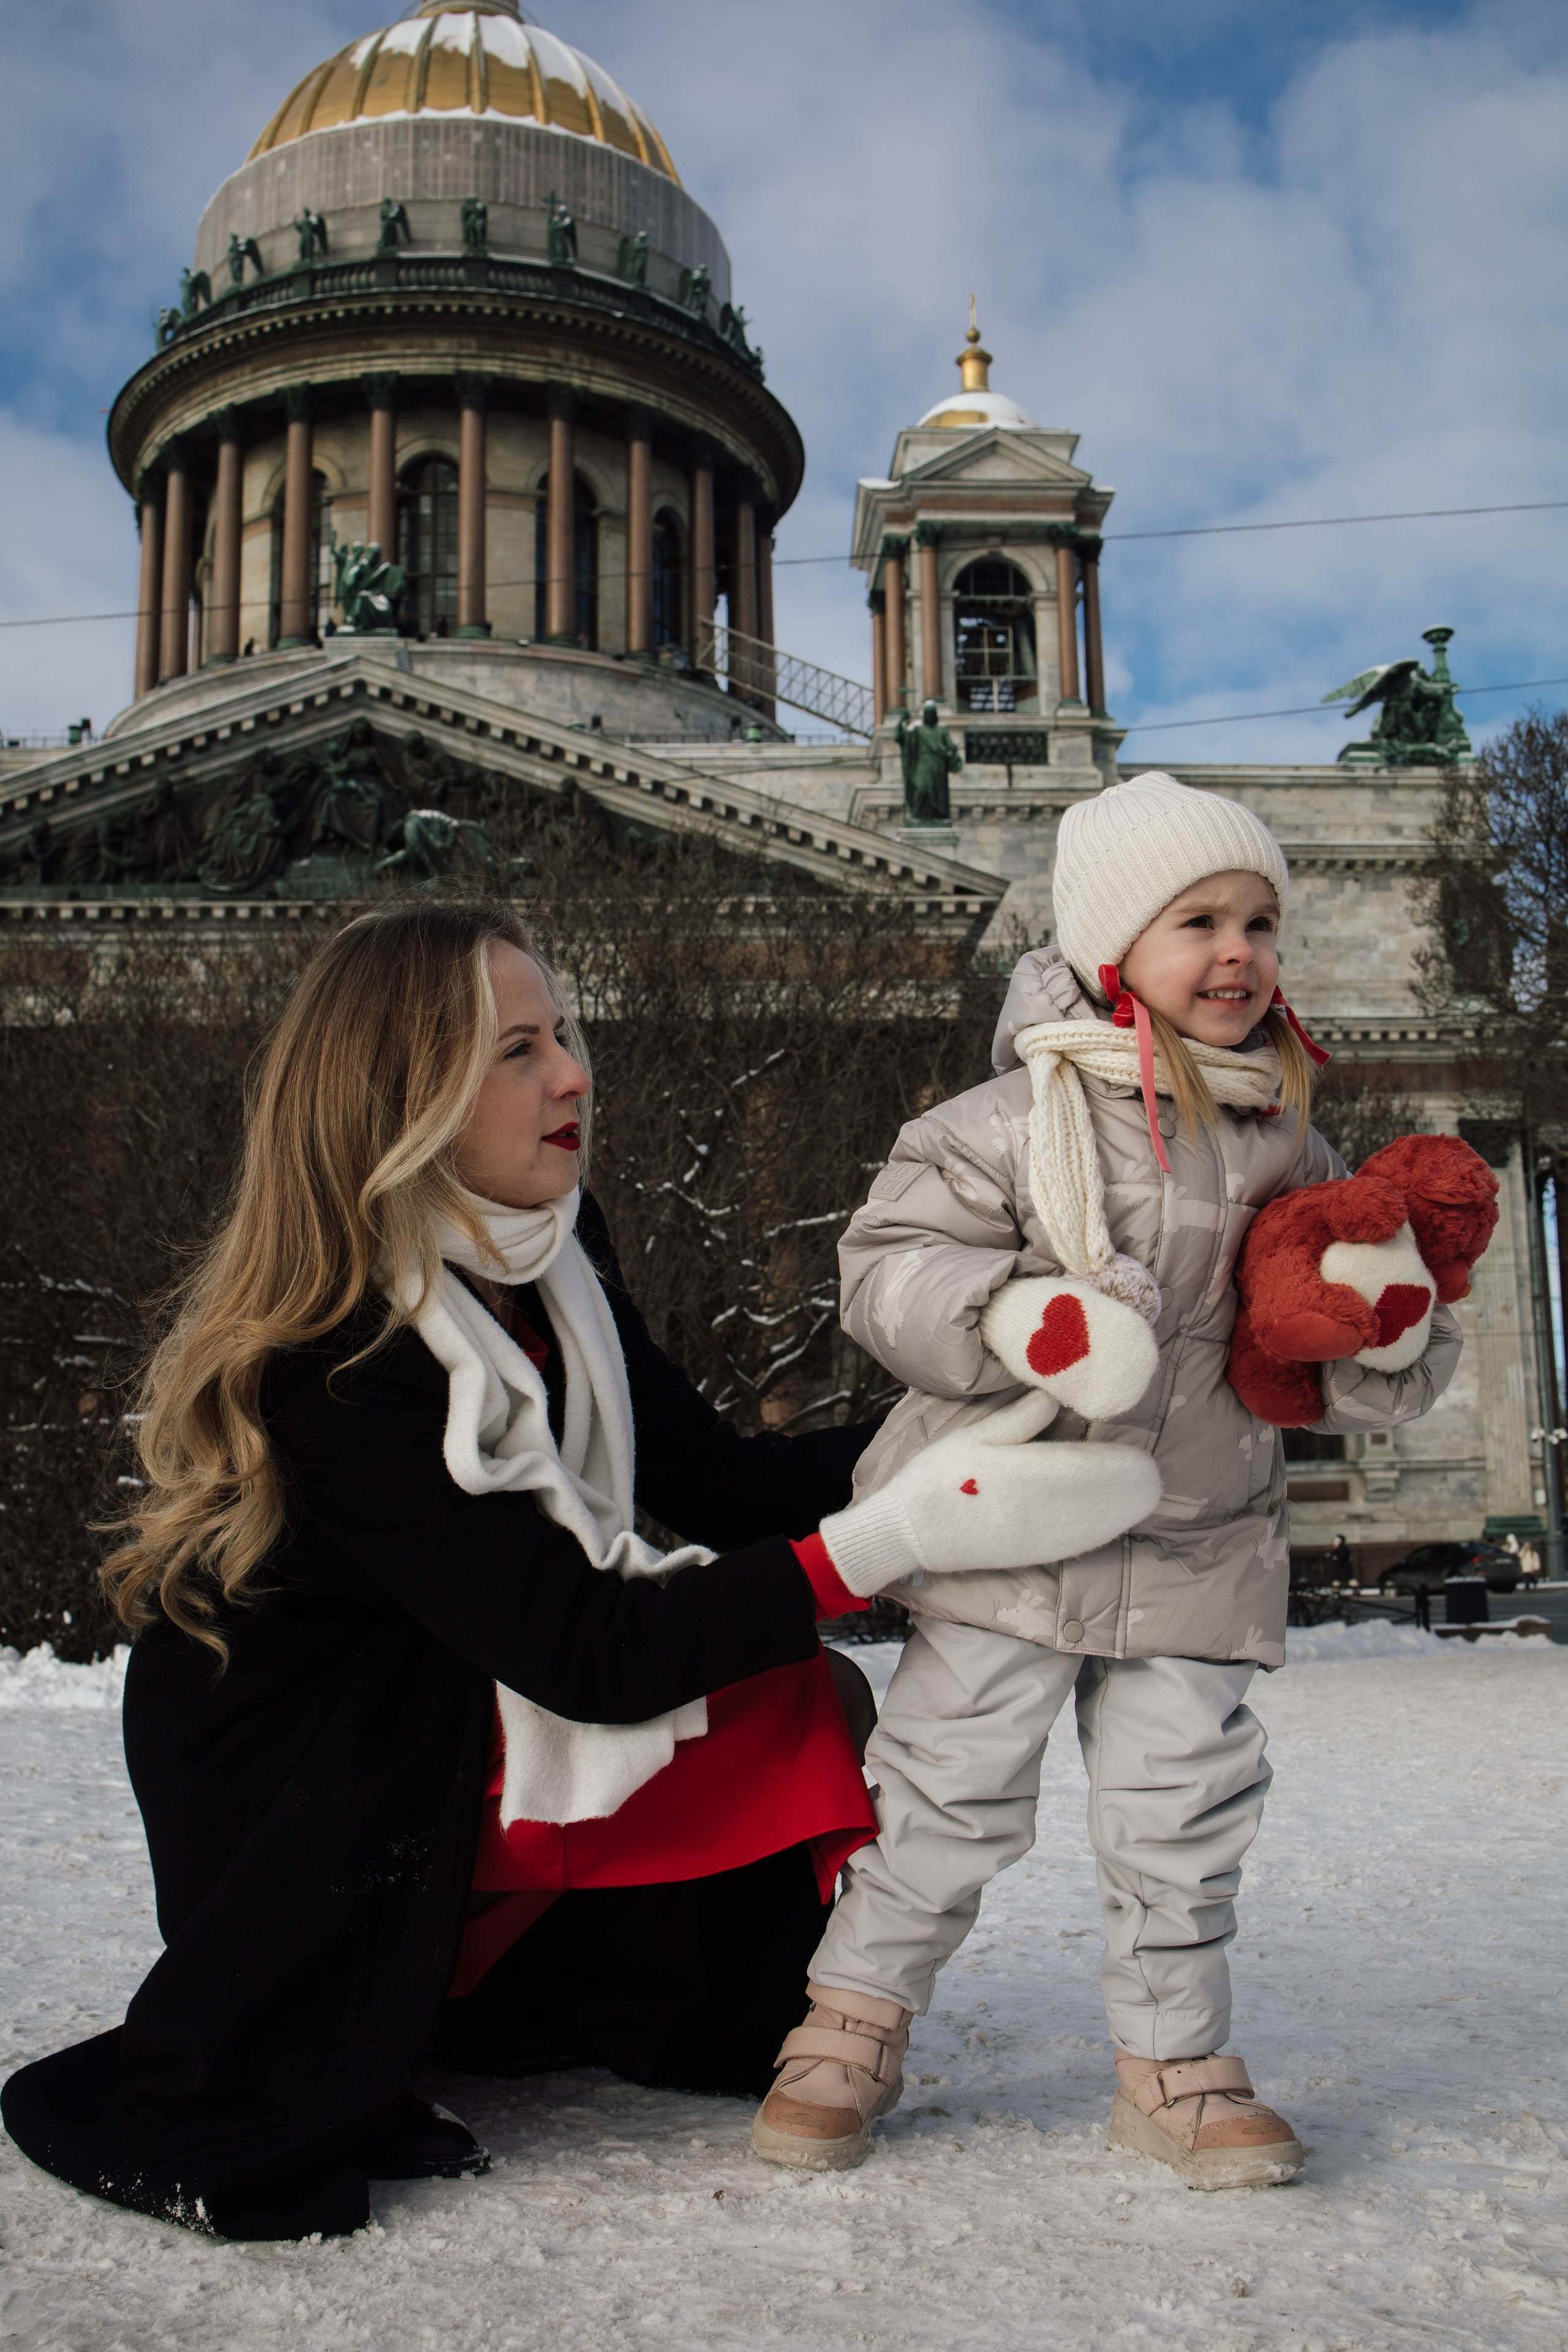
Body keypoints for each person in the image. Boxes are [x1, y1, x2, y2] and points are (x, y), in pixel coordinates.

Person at [2, 902, 1091, 2243]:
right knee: (758, 1674)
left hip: (464, 1698)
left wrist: (970, 1419)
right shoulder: (344, 1352)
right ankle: (414, 1986)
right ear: (403, 1101)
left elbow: (723, 1487)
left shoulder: (557, 1255)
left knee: (787, 1693)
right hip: (318, 1772)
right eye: (516, 1050)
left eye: (562, 1034)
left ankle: (530, 1992)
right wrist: (901, 1530)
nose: (574, 1072)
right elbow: (589, 1647)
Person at [751, 771, 1463, 2188]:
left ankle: (1174, 2066)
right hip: (1010, 1533)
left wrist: (1390, 1328)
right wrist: (1016, 1315)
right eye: (1194, 919)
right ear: (1105, 950)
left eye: (1259, 921)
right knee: (945, 1796)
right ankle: (848, 2023)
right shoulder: (1001, 1121)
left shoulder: (1298, 1146)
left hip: (1198, 1539)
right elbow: (885, 1276)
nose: (1237, 951)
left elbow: (1334, 1360)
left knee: (1182, 1819)